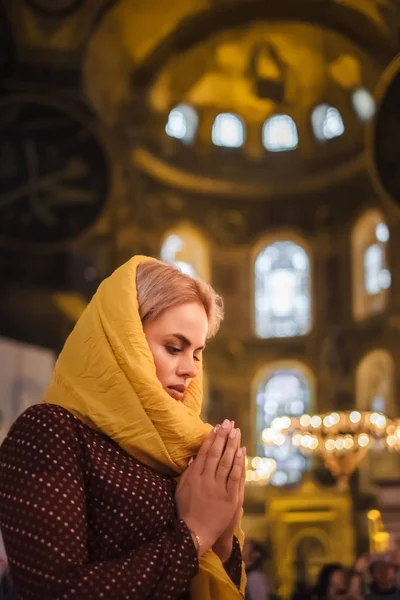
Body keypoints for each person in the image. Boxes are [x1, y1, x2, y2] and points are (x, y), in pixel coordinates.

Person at [0, 256, 246, 599]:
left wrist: (221, 539)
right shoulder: (50, 432)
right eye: (174, 348)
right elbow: (54, 592)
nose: (190, 369)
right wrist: (195, 533)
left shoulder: (179, 452)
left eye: (197, 353)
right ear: (121, 341)